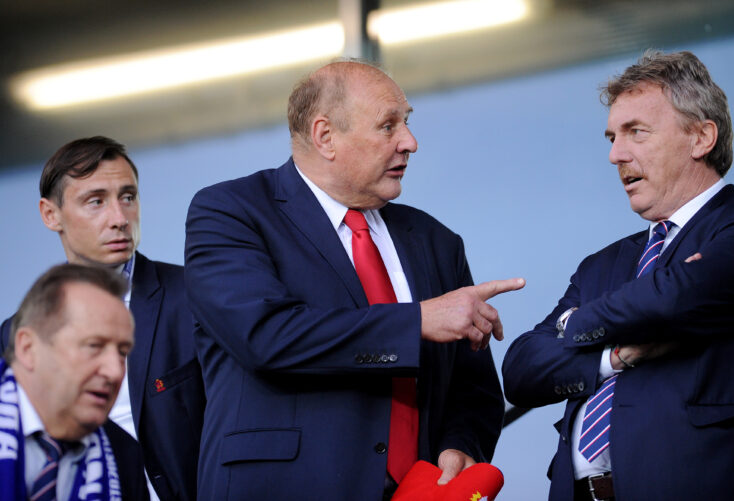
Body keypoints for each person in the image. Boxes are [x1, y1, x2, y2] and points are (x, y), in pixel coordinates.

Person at [185, 59, 524, 500]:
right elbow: (265, 335)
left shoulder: (437, 242)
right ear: (325, 136)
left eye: (407, 123)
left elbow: (473, 388)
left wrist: (461, 445)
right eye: (389, 126)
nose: (410, 142)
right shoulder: (230, 211)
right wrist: (415, 322)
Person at [503, 50, 734, 500]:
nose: (614, 154)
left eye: (636, 133)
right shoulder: (600, 265)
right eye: (611, 137)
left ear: (701, 138)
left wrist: (575, 322)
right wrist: (614, 357)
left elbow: (672, 299)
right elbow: (522, 370)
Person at [0, 137, 204, 501]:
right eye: (96, 201)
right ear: (51, 215)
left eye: (128, 197)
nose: (120, 218)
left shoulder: (195, 295)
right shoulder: (17, 336)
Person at [0, 264, 149, 501]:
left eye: (122, 352)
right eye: (94, 346)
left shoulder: (126, 456)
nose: (114, 371)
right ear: (28, 348)